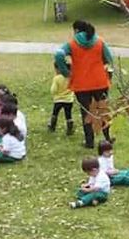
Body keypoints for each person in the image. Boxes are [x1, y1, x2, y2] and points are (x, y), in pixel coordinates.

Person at [54, 19, 114, 150]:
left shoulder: (72, 44)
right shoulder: (99, 41)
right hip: (100, 82)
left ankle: (89, 141)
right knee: (103, 110)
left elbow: (58, 54)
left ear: (76, 30)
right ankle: (107, 138)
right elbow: (110, 58)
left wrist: (65, 72)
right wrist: (102, 64)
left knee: (86, 112)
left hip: (81, 84)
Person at [49, 67, 74, 135]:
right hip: (68, 100)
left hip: (58, 100)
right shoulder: (71, 77)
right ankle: (70, 129)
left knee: (55, 113)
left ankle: (52, 126)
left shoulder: (57, 78)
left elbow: (53, 90)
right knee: (68, 114)